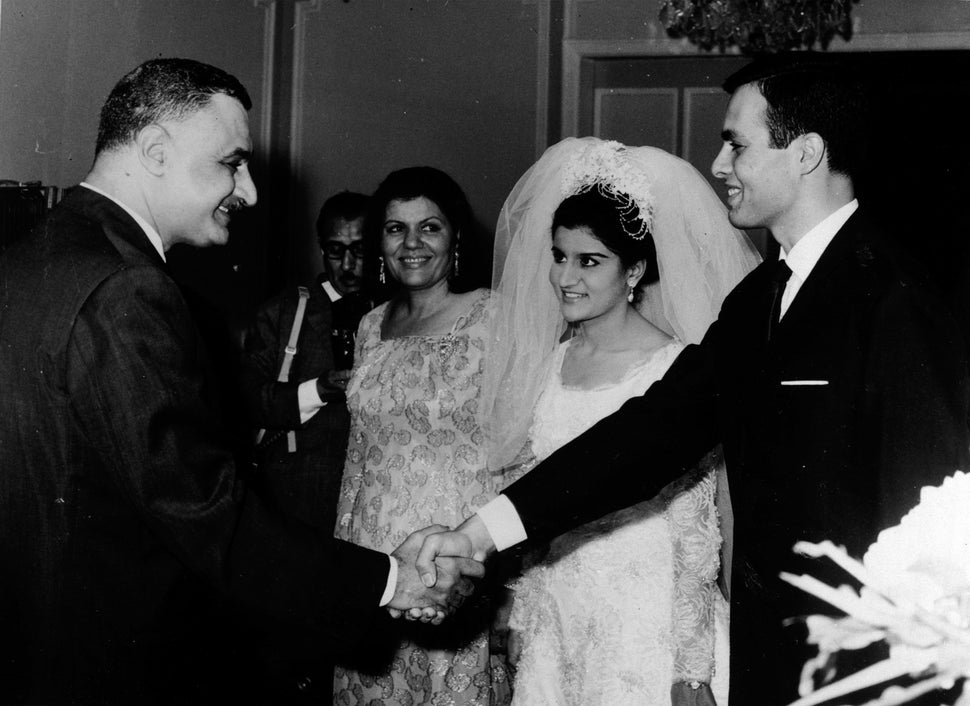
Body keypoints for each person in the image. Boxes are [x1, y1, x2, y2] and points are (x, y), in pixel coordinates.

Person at [417, 53, 970, 705]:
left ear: (807, 153)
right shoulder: (756, 300)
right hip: (770, 666)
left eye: (737, 145)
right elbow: (649, 435)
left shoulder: (896, 300)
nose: (718, 166)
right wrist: (481, 532)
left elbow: (941, 540)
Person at [0, 58, 480, 706]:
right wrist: (390, 582)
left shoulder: (32, 255)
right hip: (104, 661)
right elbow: (202, 512)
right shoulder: (126, 290)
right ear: (155, 150)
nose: (249, 191)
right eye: (232, 162)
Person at [483, 138, 760, 705]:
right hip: (561, 621)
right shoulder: (549, 365)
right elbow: (540, 503)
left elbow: (697, 535)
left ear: (634, 269)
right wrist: (526, 610)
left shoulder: (677, 370)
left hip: (648, 631)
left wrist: (691, 668)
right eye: (559, 256)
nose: (566, 277)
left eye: (590, 261)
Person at [332, 166, 511, 704]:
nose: (412, 243)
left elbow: (521, 453)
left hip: (455, 566)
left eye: (429, 227)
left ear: (454, 237)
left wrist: (507, 583)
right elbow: (358, 455)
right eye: (395, 229)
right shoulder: (370, 325)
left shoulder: (493, 317)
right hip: (371, 562)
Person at [239, 189, 377, 701]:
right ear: (320, 249)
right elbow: (244, 398)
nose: (349, 263)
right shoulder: (285, 314)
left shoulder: (398, 312)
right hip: (299, 504)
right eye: (336, 249)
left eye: (361, 248)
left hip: (371, 506)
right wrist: (316, 389)